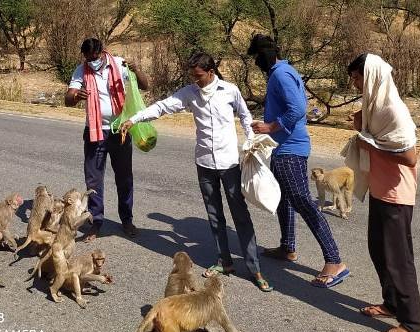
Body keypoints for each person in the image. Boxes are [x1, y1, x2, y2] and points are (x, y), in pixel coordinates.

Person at [121, 52, 273, 292]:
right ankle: (224, 261)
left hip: (230, 163)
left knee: (240, 215)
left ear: (210, 72)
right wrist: (134, 119)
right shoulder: (190, 92)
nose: (195, 80)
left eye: (198, 75)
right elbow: (163, 107)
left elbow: (245, 115)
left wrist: (251, 140)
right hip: (204, 163)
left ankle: (254, 268)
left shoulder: (229, 90)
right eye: (192, 75)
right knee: (214, 216)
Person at [247, 34, 349, 288]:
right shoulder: (284, 72)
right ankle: (287, 247)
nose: (256, 62)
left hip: (290, 149)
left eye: (257, 57)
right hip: (283, 147)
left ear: (265, 55)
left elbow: (297, 109)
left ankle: (334, 260)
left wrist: (270, 126)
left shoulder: (281, 74)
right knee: (284, 199)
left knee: (303, 202)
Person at [346, 53, 420, 332]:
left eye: (356, 77)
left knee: (398, 260)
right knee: (378, 251)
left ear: (372, 76)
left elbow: (410, 156)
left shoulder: (394, 110)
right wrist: (360, 125)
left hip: (397, 194)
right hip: (380, 189)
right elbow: (368, 132)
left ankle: (412, 325)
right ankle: (391, 304)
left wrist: (371, 145)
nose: (353, 83)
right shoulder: (374, 103)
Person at [65, 38, 149, 242]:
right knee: (93, 180)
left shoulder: (119, 64)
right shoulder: (81, 70)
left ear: (103, 52)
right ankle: (96, 223)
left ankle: (127, 220)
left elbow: (145, 85)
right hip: (95, 132)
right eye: (88, 58)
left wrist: (136, 69)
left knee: (124, 178)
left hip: (120, 130)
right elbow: (67, 100)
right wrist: (76, 96)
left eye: (95, 57)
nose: (92, 61)